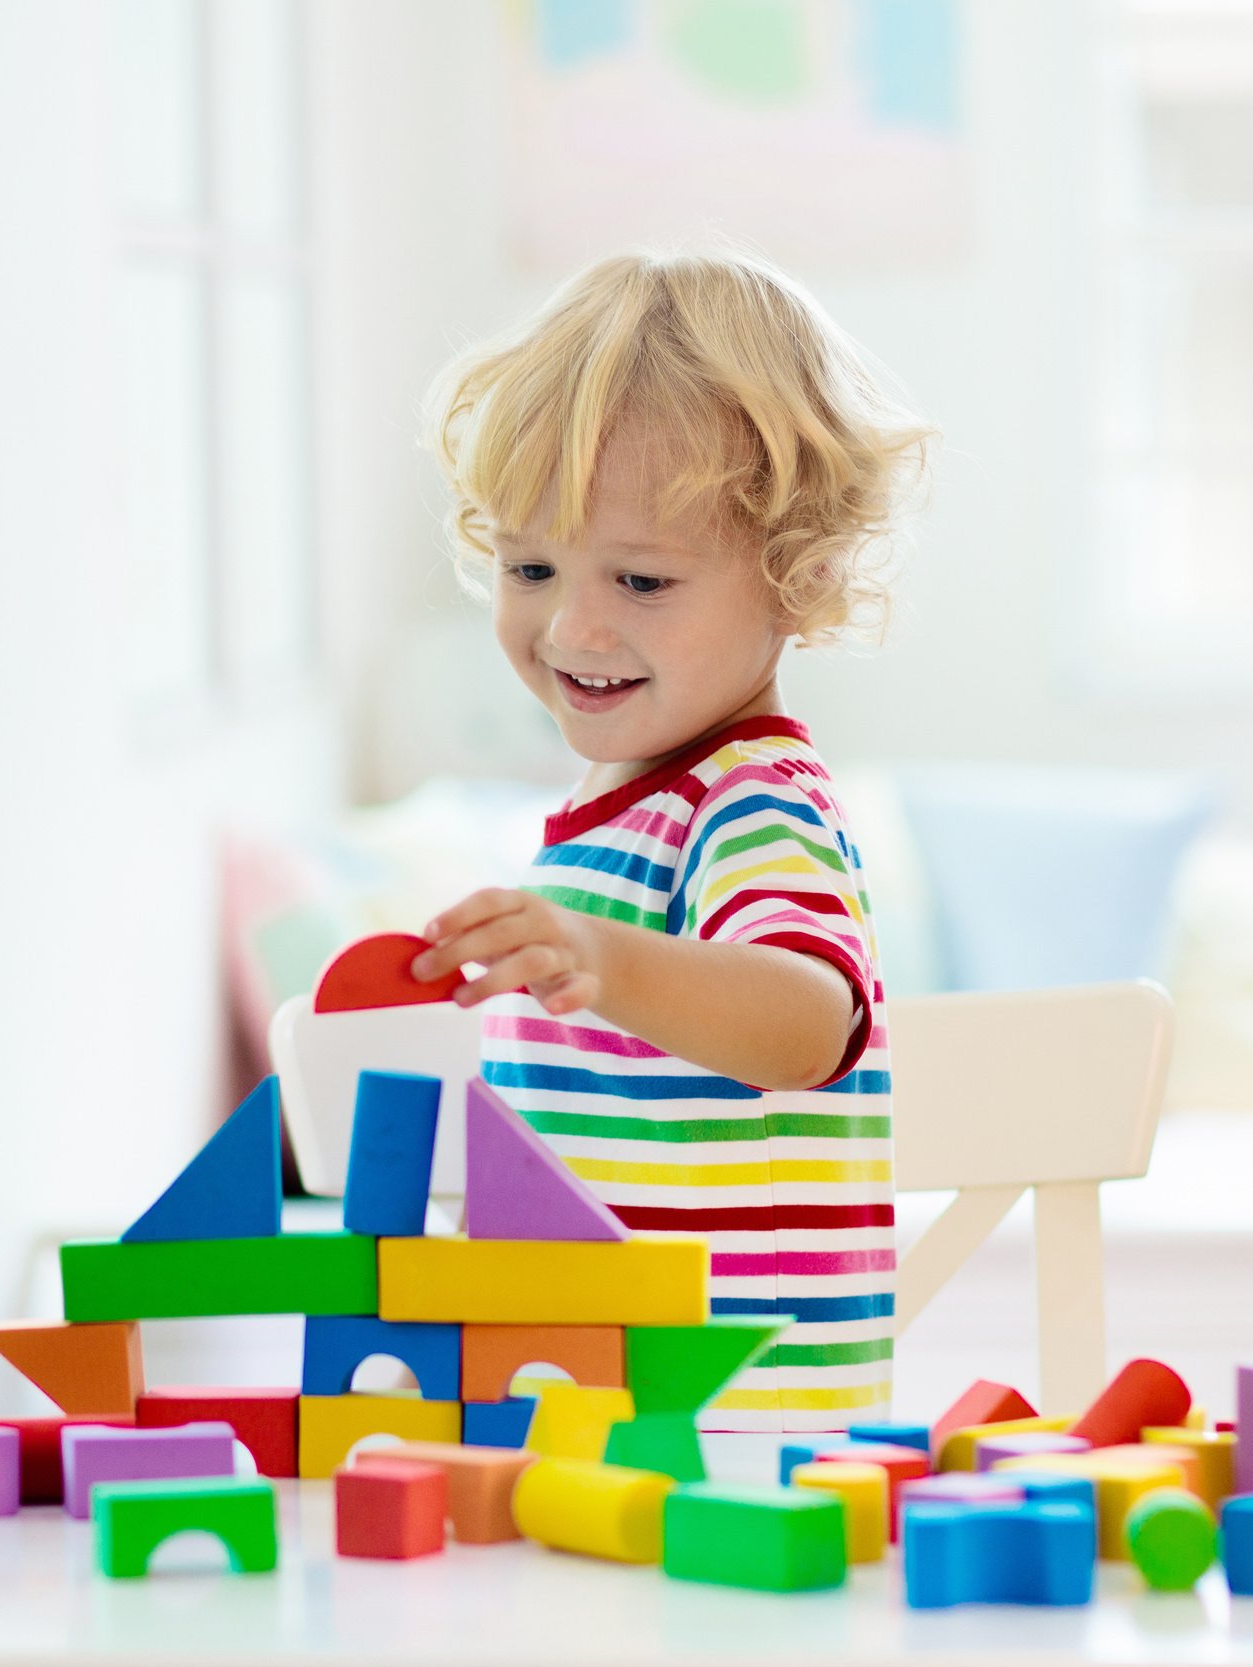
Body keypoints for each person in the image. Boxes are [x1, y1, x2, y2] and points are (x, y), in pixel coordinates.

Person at [410, 246, 929, 1431]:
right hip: (611, 1417)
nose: (571, 624)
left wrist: (602, 956)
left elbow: (806, 1020)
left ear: (797, 579)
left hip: (738, 1432)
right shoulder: (613, 813)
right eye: (530, 565)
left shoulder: (752, 802)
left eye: (640, 580)